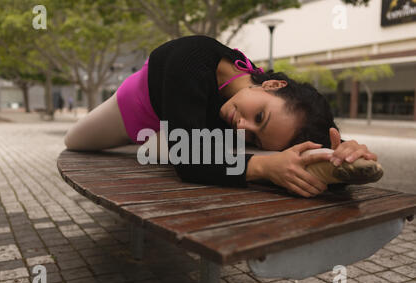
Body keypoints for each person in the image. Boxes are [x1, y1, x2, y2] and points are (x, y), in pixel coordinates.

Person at [64, 35, 381, 198]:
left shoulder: (247, 109)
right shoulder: (192, 57)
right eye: (260, 116)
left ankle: (170, 139)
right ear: (272, 85)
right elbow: (189, 161)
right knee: (74, 140)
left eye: (254, 137)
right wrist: (262, 165)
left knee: (184, 144)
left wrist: (340, 155)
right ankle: (167, 139)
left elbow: (293, 159)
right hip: (134, 112)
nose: (242, 127)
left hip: (181, 133)